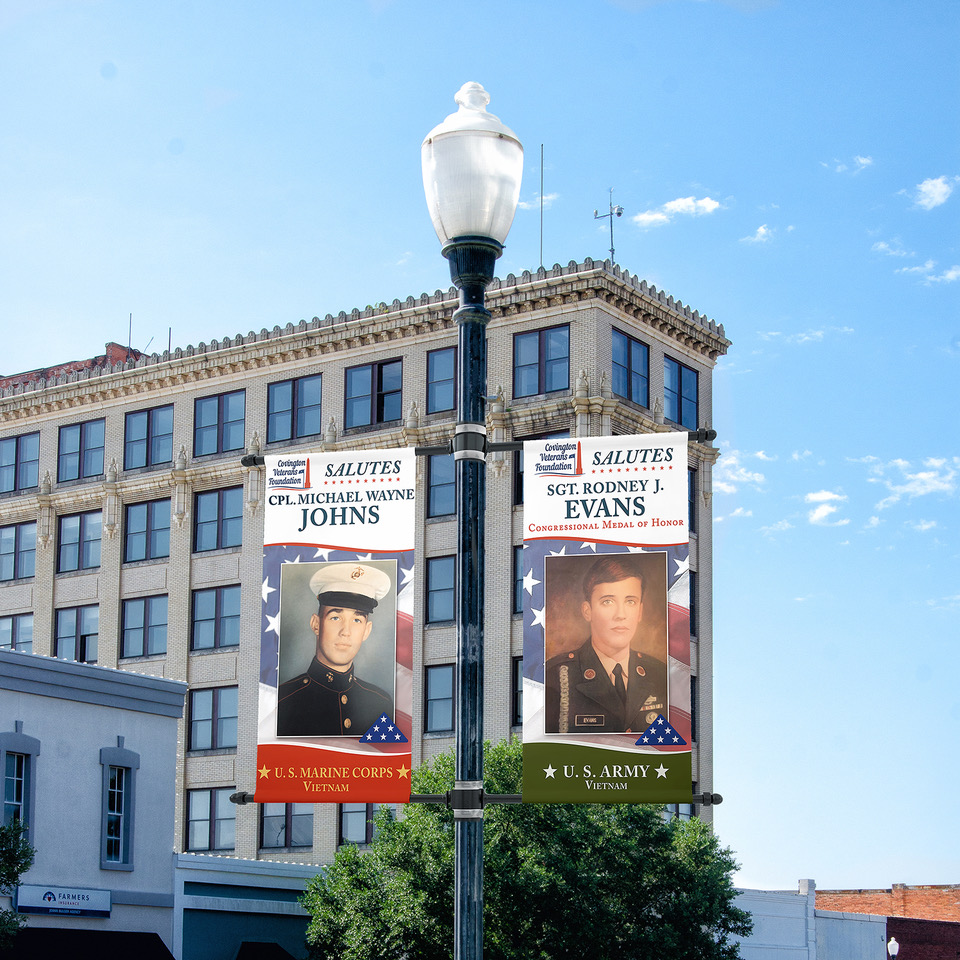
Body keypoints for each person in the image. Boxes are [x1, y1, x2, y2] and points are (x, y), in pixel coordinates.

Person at [544, 555, 666, 734]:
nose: (620, 614)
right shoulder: (555, 677)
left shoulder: (660, 675)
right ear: (588, 611)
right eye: (607, 601)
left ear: (640, 611)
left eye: (630, 601)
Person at [276, 563, 393, 737]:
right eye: (335, 617)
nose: (345, 632)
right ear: (316, 624)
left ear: (366, 631)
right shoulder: (281, 701)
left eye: (357, 620)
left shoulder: (381, 703)